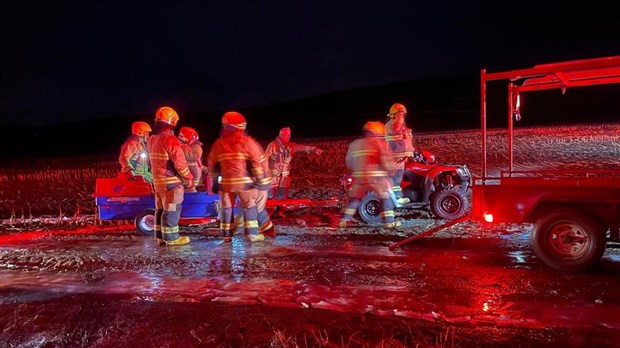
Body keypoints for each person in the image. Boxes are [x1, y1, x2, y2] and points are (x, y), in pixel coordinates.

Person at [207, 111, 270, 243]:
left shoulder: (219, 144)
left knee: (226, 208)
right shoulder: (247, 142)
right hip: (244, 183)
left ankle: (226, 235)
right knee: (249, 206)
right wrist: (261, 182)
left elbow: (212, 165)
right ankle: (252, 234)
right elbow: (256, 163)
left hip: (225, 184)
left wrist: (214, 183)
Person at [147, 106, 194, 246]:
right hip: (171, 183)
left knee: (160, 210)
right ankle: (172, 238)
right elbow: (179, 163)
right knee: (172, 209)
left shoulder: (152, 139)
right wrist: (189, 177)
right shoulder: (170, 139)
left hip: (158, 183)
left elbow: (150, 162)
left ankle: (160, 237)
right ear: (172, 121)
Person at [340, 121, 400, 228]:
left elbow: (349, 162)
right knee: (385, 198)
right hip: (377, 179)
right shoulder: (380, 144)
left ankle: (344, 221)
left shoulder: (355, 144)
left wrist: (358, 171)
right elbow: (386, 161)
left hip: (359, 179)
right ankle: (389, 222)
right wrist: (392, 169)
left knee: (355, 199)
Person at [265, 127, 323, 199]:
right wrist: (266, 172)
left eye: (289, 135)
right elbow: (265, 158)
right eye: (287, 135)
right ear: (281, 135)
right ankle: (270, 209)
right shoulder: (273, 145)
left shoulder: (291, 146)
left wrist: (314, 149)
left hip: (284, 178)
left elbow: (302, 147)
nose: (289, 136)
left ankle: (281, 210)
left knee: (283, 198)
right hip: (273, 177)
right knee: (271, 198)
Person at [385, 102, 415, 206]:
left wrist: (412, 152)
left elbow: (407, 141)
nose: (402, 116)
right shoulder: (391, 126)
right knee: (396, 177)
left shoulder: (401, 126)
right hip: (394, 159)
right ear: (394, 114)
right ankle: (397, 198)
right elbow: (395, 145)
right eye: (400, 113)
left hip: (403, 158)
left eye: (403, 114)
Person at [178, 126, 204, 193]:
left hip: (190, 185)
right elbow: (195, 157)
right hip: (186, 184)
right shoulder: (184, 147)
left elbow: (196, 159)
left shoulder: (189, 147)